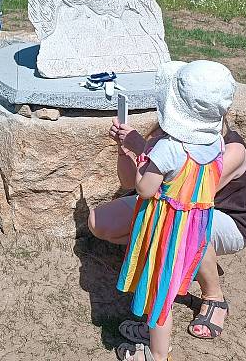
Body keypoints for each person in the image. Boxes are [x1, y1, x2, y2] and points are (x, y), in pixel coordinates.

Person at [95, 60, 237, 361]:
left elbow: (144, 189)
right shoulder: (216, 143)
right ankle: (151, 333)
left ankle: (158, 354)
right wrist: (143, 145)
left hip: (165, 229)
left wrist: (139, 156)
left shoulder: (168, 148)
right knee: (168, 284)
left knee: (159, 296)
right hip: (192, 230)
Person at [90, 116, 246, 345]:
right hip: (164, 205)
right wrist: (125, 151)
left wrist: (145, 149)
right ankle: (179, 262)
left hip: (220, 219)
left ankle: (214, 296)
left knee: (186, 230)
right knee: (101, 222)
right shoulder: (165, 134)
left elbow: (191, 197)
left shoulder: (230, 148)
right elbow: (131, 183)